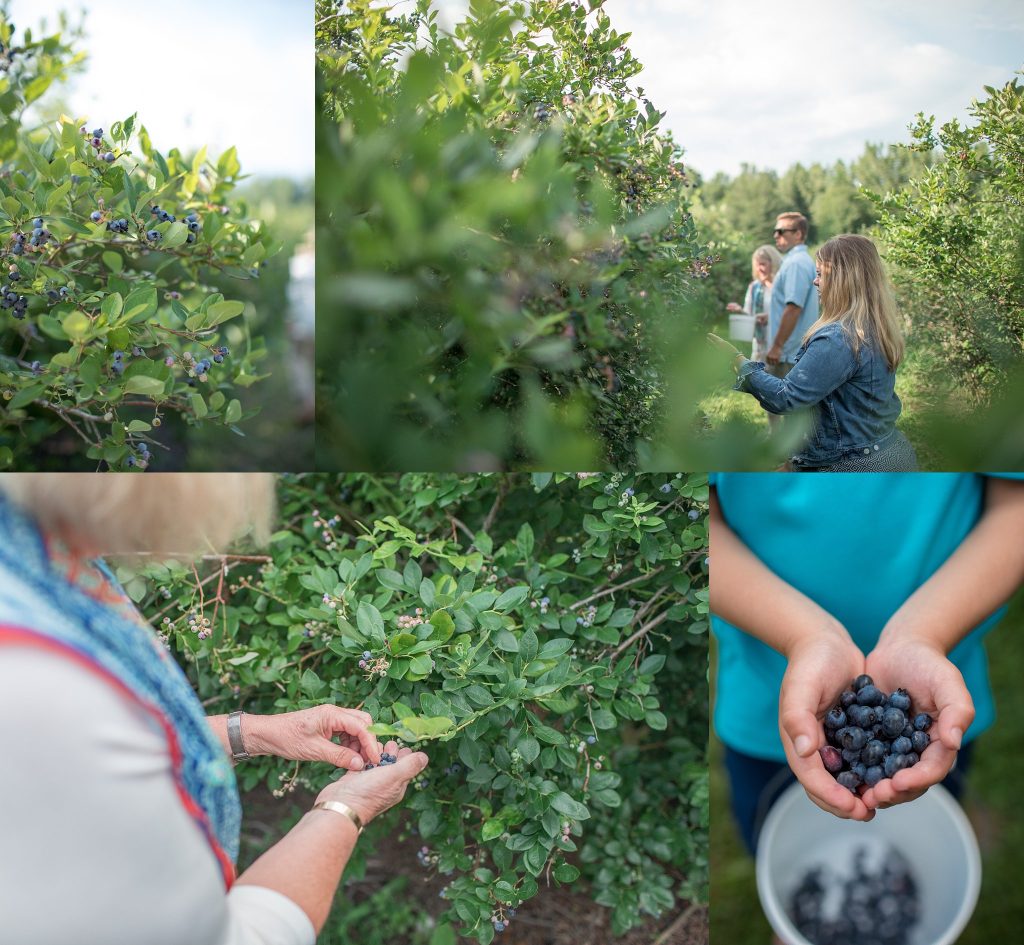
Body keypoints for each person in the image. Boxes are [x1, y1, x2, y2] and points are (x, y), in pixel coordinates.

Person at [0, 473, 429, 945]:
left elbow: (95, 747)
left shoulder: (33, 556)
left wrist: (253, 733)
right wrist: (348, 806)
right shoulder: (32, 692)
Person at [708, 472, 1024, 854]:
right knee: (772, 839)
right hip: (762, 702)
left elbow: (1014, 506)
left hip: (935, 694)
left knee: (923, 839)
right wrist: (805, 636)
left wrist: (923, 634)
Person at [710, 233, 917, 470]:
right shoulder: (873, 327)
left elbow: (786, 397)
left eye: (820, 274)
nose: (815, 282)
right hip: (889, 453)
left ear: (843, 279)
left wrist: (737, 360)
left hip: (852, 467)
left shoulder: (839, 338)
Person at [726, 244, 783, 363]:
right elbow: (750, 316)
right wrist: (739, 310)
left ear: (774, 264)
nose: (759, 269)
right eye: (757, 265)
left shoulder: (782, 286)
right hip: (759, 348)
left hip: (781, 346)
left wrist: (770, 317)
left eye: (763, 264)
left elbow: (791, 313)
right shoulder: (754, 288)